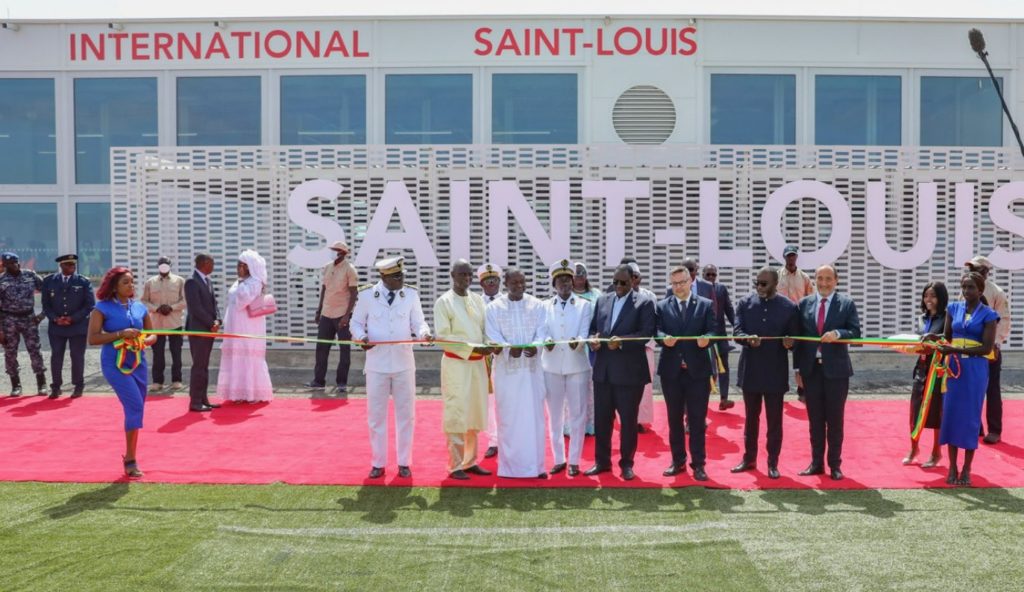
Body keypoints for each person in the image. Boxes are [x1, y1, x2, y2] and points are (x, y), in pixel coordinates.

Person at [351, 256, 432, 479]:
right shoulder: (368, 295)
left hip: (403, 363)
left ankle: (404, 462)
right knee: (376, 416)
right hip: (377, 363)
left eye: (402, 275)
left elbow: (418, 321)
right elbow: (355, 322)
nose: (402, 279)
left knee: (406, 415)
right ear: (383, 277)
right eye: (397, 276)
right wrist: (362, 337)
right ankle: (378, 462)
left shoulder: (410, 294)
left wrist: (424, 333)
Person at [927, 272, 998, 487]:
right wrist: (933, 337)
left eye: (971, 287)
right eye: (964, 287)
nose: (967, 291)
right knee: (950, 415)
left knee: (969, 419)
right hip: (953, 368)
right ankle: (952, 466)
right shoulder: (953, 309)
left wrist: (954, 348)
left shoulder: (989, 315)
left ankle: (967, 468)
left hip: (975, 370)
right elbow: (947, 338)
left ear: (980, 290)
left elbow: (986, 348)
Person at [586, 264, 656, 481]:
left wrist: (623, 343)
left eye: (623, 283)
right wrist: (593, 341)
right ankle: (602, 462)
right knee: (602, 421)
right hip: (604, 372)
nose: (618, 286)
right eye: (615, 282)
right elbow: (592, 329)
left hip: (629, 373)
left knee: (628, 421)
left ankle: (627, 464)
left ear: (633, 280)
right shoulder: (603, 300)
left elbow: (646, 333)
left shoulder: (644, 303)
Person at [87, 267, 156, 478]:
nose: (131, 285)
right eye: (126, 282)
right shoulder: (102, 309)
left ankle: (130, 454)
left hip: (138, 363)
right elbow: (94, 339)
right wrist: (120, 334)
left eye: (132, 281)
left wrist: (141, 341)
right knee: (135, 404)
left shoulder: (139, 307)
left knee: (137, 408)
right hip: (114, 364)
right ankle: (130, 459)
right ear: (114, 286)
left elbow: (152, 336)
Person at [794, 265, 861, 481]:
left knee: (834, 420)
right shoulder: (804, 304)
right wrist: (798, 369)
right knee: (815, 420)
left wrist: (839, 334)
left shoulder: (846, 304)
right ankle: (816, 463)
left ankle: (835, 465)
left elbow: (855, 333)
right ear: (814, 280)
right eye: (820, 278)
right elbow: (799, 340)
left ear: (836, 280)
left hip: (837, 372)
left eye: (828, 279)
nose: (824, 283)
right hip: (811, 371)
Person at [731, 267, 799, 479]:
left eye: (763, 284)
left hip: (775, 373)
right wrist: (746, 338)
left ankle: (772, 463)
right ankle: (749, 458)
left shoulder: (789, 307)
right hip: (751, 370)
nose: (758, 287)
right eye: (756, 283)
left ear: (776, 284)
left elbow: (795, 338)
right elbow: (737, 332)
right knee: (751, 419)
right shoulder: (744, 303)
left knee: (774, 421)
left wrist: (790, 343)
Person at [486, 267, 547, 479]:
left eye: (522, 283)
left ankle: (536, 467)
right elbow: (492, 335)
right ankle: (509, 468)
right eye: (515, 284)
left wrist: (536, 346)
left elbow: (543, 332)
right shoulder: (494, 308)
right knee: (508, 419)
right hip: (506, 373)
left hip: (531, 373)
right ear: (506, 284)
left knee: (534, 418)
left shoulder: (537, 305)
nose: (519, 287)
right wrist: (506, 348)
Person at [434, 260, 493, 480]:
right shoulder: (444, 302)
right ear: (452, 275)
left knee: (474, 412)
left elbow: (485, 330)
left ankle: (470, 461)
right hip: (456, 364)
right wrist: (471, 348)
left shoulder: (478, 300)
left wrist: (489, 345)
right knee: (457, 413)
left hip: (477, 365)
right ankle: (455, 465)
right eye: (462, 274)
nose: (466, 279)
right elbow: (443, 337)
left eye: (469, 275)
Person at [656, 266, 715, 481]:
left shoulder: (705, 305)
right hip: (671, 372)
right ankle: (677, 461)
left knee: (697, 420)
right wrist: (663, 338)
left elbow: (714, 330)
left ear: (691, 281)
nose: (678, 287)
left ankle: (699, 464)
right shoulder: (662, 306)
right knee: (674, 419)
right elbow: (657, 331)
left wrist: (707, 338)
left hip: (697, 372)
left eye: (682, 282)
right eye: (674, 283)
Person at [540, 260, 594, 477]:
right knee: (554, 416)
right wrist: (546, 340)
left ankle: (574, 460)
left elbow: (585, 331)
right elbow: (541, 331)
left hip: (577, 365)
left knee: (578, 414)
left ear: (573, 282)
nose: (564, 284)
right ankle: (559, 458)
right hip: (551, 365)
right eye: (560, 280)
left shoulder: (584, 305)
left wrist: (579, 341)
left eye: (568, 279)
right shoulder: (544, 306)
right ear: (554, 283)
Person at [216, 250, 273, 403]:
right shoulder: (240, 281)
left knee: (248, 357)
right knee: (236, 359)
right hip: (236, 326)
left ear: (249, 267)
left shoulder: (255, 282)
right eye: (238, 264)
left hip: (248, 326)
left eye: (241, 265)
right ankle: (238, 393)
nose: (238, 268)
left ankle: (252, 393)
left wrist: (241, 282)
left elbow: (243, 300)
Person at [964, 256, 1010, 445]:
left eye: (976, 268)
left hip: (990, 349)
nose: (972, 271)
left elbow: (1004, 320)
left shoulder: (996, 292)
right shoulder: (967, 290)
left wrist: (996, 344)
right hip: (972, 348)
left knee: (992, 390)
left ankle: (995, 430)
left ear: (986, 271)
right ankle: (977, 427)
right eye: (970, 268)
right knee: (972, 389)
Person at [904, 281, 948, 468]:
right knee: (915, 410)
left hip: (937, 369)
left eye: (933, 296)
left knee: (936, 412)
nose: (929, 300)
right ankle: (914, 449)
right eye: (926, 296)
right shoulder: (921, 318)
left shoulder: (947, 318)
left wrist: (934, 344)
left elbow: (947, 341)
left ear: (941, 298)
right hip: (920, 368)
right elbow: (917, 340)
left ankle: (936, 452)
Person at [307, 240, 359, 394]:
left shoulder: (350, 269)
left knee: (344, 350)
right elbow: (324, 289)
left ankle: (342, 383)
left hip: (342, 315)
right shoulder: (328, 267)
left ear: (343, 253)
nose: (332, 252)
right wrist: (319, 310)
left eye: (335, 250)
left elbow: (354, 294)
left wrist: (346, 316)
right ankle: (319, 381)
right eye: (332, 249)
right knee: (321, 348)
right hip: (326, 314)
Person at [41, 254, 95, 399]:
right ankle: (56, 386)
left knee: (77, 356)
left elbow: (89, 304)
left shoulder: (83, 281)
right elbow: (46, 304)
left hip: (77, 326)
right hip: (57, 326)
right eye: (68, 265)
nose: (72, 267)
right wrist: (55, 318)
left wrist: (73, 318)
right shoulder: (49, 281)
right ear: (61, 266)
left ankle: (78, 385)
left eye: (73, 264)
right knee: (56, 356)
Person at [0, 252, 47, 396]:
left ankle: (41, 383)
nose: (9, 267)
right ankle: (16, 385)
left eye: (12, 264)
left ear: (18, 263)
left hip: (29, 318)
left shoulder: (30, 275)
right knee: (10, 353)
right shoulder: (1, 280)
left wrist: (42, 314)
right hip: (9, 320)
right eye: (6, 265)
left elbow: (48, 292)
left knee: (34, 351)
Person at [141, 256, 186, 393]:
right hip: (157, 324)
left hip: (175, 322)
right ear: (158, 265)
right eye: (161, 263)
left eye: (166, 263)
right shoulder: (150, 282)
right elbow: (144, 301)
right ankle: (157, 381)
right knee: (157, 353)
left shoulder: (179, 281)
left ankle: (176, 380)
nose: (163, 266)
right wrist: (157, 309)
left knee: (176, 353)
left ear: (170, 265)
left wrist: (171, 307)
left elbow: (185, 301)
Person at [184, 253, 221, 412]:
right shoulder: (192, 282)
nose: (213, 266)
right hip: (198, 330)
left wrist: (218, 320)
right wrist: (210, 322)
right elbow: (195, 308)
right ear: (205, 263)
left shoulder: (208, 281)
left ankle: (204, 399)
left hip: (208, 330)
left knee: (204, 366)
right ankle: (195, 402)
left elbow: (214, 305)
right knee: (198, 366)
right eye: (212, 263)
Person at [778, 244, 814, 403]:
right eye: (788, 256)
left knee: (799, 356)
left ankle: (802, 389)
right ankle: (779, 387)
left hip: (798, 321)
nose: (791, 258)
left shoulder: (804, 277)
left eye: (793, 255)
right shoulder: (777, 275)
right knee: (777, 355)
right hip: (780, 320)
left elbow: (811, 298)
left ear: (796, 257)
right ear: (784, 257)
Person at [626, 261, 658, 433]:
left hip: (645, 347)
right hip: (625, 348)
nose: (633, 280)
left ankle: (640, 420)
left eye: (636, 276)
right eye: (630, 277)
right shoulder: (618, 295)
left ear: (640, 278)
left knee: (645, 387)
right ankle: (627, 417)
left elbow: (653, 322)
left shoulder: (649, 296)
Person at [477, 262, 503, 459]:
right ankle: (494, 440)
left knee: (507, 400)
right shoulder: (475, 303)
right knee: (489, 401)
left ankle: (508, 438)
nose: (491, 283)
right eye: (487, 280)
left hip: (505, 357)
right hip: (484, 358)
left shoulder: (506, 301)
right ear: (481, 284)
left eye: (494, 280)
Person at [701, 264, 736, 411]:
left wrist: (739, 327)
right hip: (705, 336)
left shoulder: (721, 289)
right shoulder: (699, 290)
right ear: (702, 275)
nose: (710, 277)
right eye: (708, 274)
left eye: (713, 275)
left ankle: (724, 399)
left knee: (724, 368)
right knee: (709, 370)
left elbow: (729, 309)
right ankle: (703, 400)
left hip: (721, 335)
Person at [571, 262, 600, 437]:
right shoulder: (567, 294)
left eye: (582, 274)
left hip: (593, 348)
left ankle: (591, 425)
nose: (579, 278)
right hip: (573, 348)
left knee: (592, 388)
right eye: (576, 275)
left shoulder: (596, 295)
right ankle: (571, 426)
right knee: (574, 388)